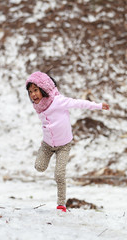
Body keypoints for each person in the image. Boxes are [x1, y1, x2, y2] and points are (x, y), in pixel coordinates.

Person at [26, 71, 109, 212]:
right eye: (30, 92)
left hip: (63, 145)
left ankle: (61, 204)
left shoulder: (58, 101)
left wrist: (98, 105)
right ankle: (43, 149)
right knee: (39, 167)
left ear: (44, 89)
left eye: (36, 90)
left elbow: (79, 103)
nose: (33, 94)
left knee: (59, 174)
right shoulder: (39, 107)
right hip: (47, 144)